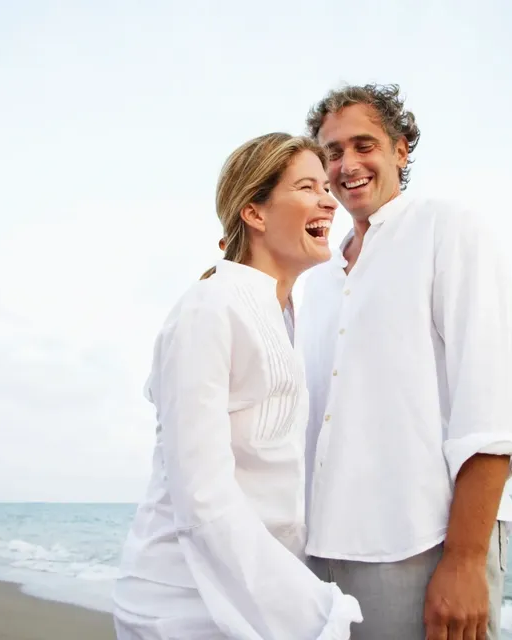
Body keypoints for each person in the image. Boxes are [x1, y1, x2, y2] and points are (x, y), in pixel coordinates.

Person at [297, 83, 512, 640]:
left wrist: (465, 560)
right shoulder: (320, 279)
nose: (348, 165)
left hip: (426, 544)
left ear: (401, 150)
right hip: (323, 554)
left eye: (364, 145)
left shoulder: (447, 228)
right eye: (333, 153)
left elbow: (490, 404)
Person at [112, 132, 363, 639]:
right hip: (183, 605)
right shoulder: (209, 308)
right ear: (255, 212)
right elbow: (201, 496)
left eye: (325, 187)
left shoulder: (284, 316)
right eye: (307, 187)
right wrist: (313, 609)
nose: (328, 200)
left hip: (252, 600)